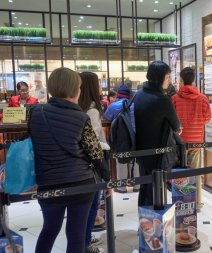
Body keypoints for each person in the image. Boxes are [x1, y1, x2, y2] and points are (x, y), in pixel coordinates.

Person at [30, 67, 105, 253]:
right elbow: (95, 153)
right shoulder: (81, 117)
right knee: (76, 234)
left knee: (49, 229)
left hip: (48, 184)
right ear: (74, 89)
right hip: (81, 184)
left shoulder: (35, 113)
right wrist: (107, 177)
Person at [134, 61, 181, 206]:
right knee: (155, 190)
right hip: (158, 153)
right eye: (167, 77)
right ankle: (154, 225)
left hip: (141, 151)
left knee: (145, 187)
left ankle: (145, 224)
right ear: (160, 78)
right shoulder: (162, 100)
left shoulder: (139, 94)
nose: (169, 80)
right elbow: (177, 125)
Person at [79, 72, 110, 253]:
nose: (100, 87)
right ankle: (85, 243)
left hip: (80, 166)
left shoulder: (78, 108)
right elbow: (93, 143)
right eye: (98, 83)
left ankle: (83, 240)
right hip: (92, 166)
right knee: (91, 206)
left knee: (84, 207)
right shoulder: (91, 110)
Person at [172, 67, 211, 211]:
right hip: (196, 141)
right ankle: (197, 204)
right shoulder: (202, 98)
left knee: (180, 172)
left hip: (180, 142)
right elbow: (207, 119)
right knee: (195, 172)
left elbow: (172, 120)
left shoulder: (175, 98)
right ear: (193, 79)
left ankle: (181, 203)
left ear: (181, 80)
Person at [103, 83, 139, 193]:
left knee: (121, 161)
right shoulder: (136, 105)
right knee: (136, 160)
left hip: (121, 137)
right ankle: (137, 186)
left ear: (118, 95)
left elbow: (106, 118)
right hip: (135, 136)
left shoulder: (113, 106)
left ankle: (121, 187)